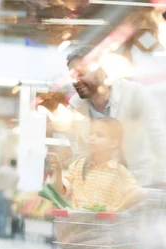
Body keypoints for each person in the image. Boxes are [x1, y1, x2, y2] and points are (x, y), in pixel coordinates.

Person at [66, 46, 166, 187]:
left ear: (100, 70)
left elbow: (159, 137)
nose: (75, 81)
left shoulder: (135, 94)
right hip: (101, 188)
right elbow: (79, 154)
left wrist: (163, 179)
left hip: (140, 184)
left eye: (80, 74)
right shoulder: (75, 108)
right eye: (72, 76)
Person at [49, 117, 143, 212]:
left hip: (105, 225)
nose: (92, 138)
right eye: (91, 134)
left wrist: (117, 209)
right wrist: (58, 171)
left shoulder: (118, 171)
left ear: (113, 143)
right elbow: (61, 191)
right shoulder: (79, 165)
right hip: (78, 224)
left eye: (99, 135)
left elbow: (138, 193)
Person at [0, 159, 19, 238]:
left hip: (0, 192)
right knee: (4, 214)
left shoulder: (4, 169)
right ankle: (2, 233)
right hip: (8, 195)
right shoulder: (16, 174)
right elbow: (15, 186)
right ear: (15, 164)